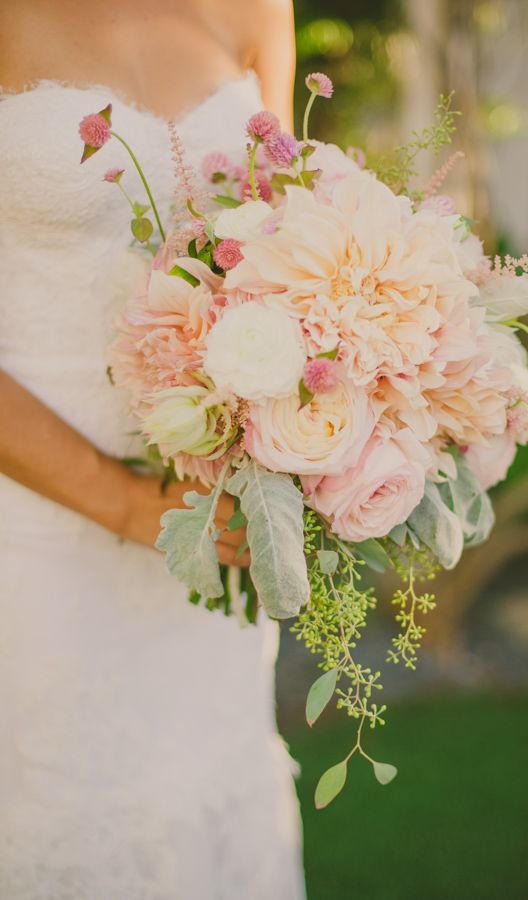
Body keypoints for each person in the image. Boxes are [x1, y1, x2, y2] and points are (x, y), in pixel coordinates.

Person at [0, 1, 305, 897]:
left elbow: (284, 247)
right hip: (32, 543)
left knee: (205, 793)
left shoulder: (257, 7)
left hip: (212, 531)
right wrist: (130, 504)